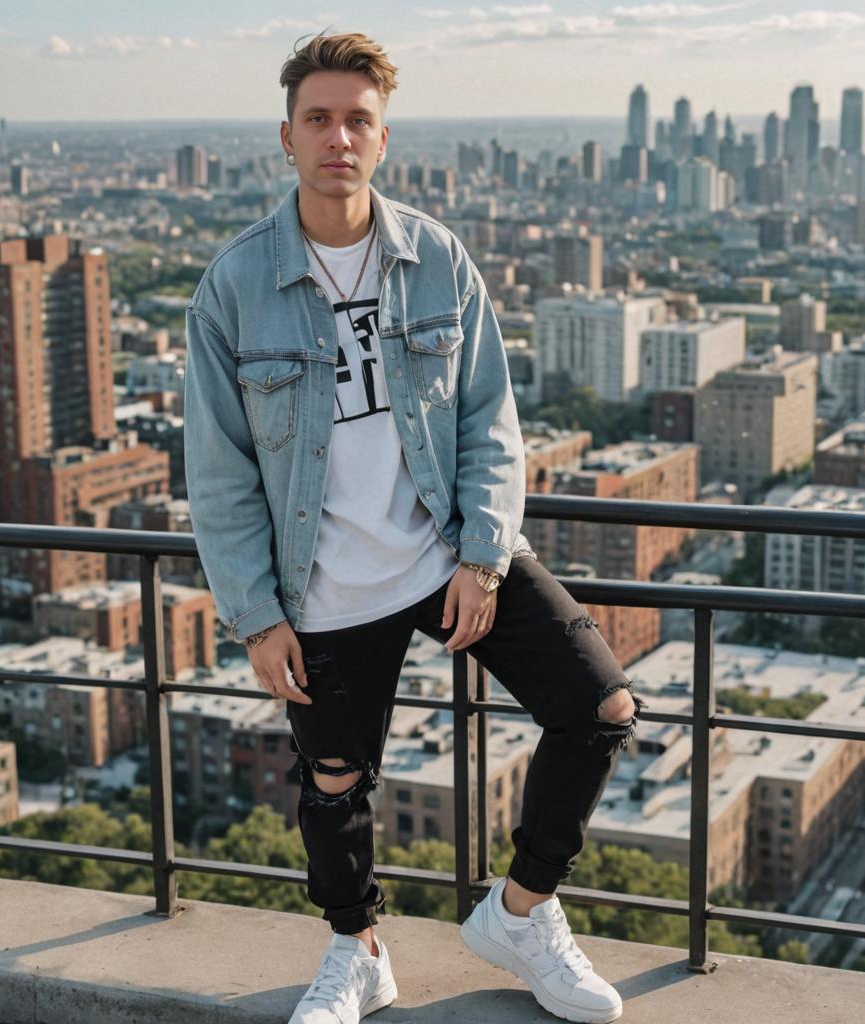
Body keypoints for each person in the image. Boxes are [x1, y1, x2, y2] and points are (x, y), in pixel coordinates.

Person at [183, 30, 645, 1024]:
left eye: (356, 119)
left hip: (452, 549)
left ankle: (521, 913)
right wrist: (255, 616)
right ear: (287, 136)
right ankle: (356, 952)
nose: (337, 137)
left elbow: (490, 420)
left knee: (598, 707)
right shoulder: (233, 285)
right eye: (318, 119)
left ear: (382, 137)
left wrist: (482, 555)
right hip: (324, 581)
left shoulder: (436, 257)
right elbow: (216, 471)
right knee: (335, 781)